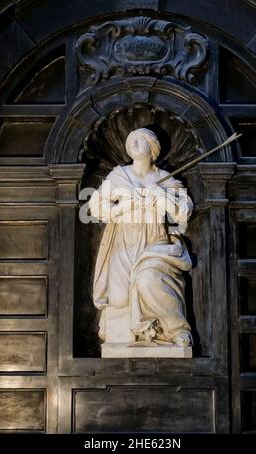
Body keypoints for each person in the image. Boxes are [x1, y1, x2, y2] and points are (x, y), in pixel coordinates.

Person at [89, 128, 193, 347]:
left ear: (153, 147)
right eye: (130, 140)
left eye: (140, 139)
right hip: (123, 241)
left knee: (149, 280)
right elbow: (96, 206)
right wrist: (122, 207)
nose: (133, 143)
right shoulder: (119, 176)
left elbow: (184, 210)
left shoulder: (163, 178)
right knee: (120, 297)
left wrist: (162, 195)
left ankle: (175, 329)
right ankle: (129, 336)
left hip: (155, 243)